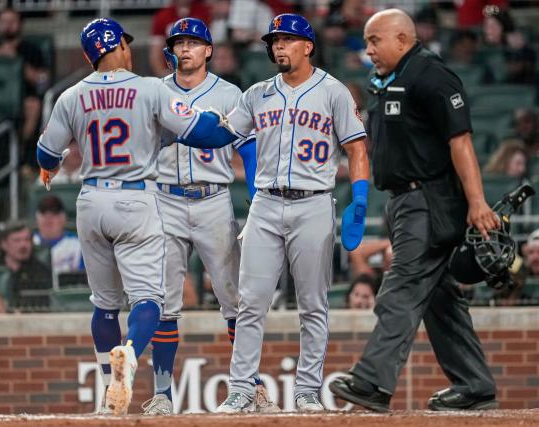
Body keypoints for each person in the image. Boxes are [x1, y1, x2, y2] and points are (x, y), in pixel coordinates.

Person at [36, 17, 241, 415]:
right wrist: (233, 123)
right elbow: (202, 133)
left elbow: (46, 154)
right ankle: (128, 357)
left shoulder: (70, 96)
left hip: (91, 199)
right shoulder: (149, 88)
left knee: (105, 304)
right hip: (138, 199)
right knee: (150, 299)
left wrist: (52, 165)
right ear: (122, 48)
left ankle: (106, 393)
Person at [178, 13, 370, 413]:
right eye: (275, 41)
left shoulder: (333, 91)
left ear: (308, 45)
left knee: (313, 304)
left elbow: (356, 148)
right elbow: (222, 135)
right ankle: (242, 389)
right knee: (250, 302)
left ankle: (306, 391)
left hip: (314, 201)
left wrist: (361, 199)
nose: (278, 46)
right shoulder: (257, 93)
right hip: (265, 203)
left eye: (287, 39)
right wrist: (183, 126)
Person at [329, 9, 499, 413]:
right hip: (405, 202)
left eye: (375, 41)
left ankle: (373, 382)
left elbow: (460, 141)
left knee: (401, 287)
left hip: (427, 200)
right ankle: (474, 385)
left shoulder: (430, 75)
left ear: (402, 39)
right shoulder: (389, 81)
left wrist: (477, 201)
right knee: (440, 300)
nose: (368, 49)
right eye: (367, 42)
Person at [142, 17, 275, 416]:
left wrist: (256, 202)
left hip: (213, 198)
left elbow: (248, 151)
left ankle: (249, 387)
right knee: (164, 301)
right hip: (164, 199)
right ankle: (162, 396)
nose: (186, 49)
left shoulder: (229, 93)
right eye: (179, 43)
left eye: (194, 43)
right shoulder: (153, 92)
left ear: (208, 50)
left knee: (234, 297)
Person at [0, 8, 50, 165]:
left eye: (11, 22)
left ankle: (21, 151)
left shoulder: (31, 50)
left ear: (20, 24)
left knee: (33, 105)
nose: (7, 26)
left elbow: (43, 82)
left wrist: (17, 61)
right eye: (3, 22)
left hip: (23, 99)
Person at [149, 0, 211, 76]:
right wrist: (162, 74)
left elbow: (212, 45)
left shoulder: (205, 12)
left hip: (203, 70)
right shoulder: (162, 16)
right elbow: (155, 52)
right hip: (172, 71)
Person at [33, 195, 84, 287]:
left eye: (54, 213)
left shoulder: (78, 245)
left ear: (63, 219)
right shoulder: (27, 243)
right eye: (43, 213)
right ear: (37, 219)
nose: (48, 218)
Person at [0, 221, 52, 307]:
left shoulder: (42, 272)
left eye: (27, 240)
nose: (23, 245)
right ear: (4, 244)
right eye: (17, 240)